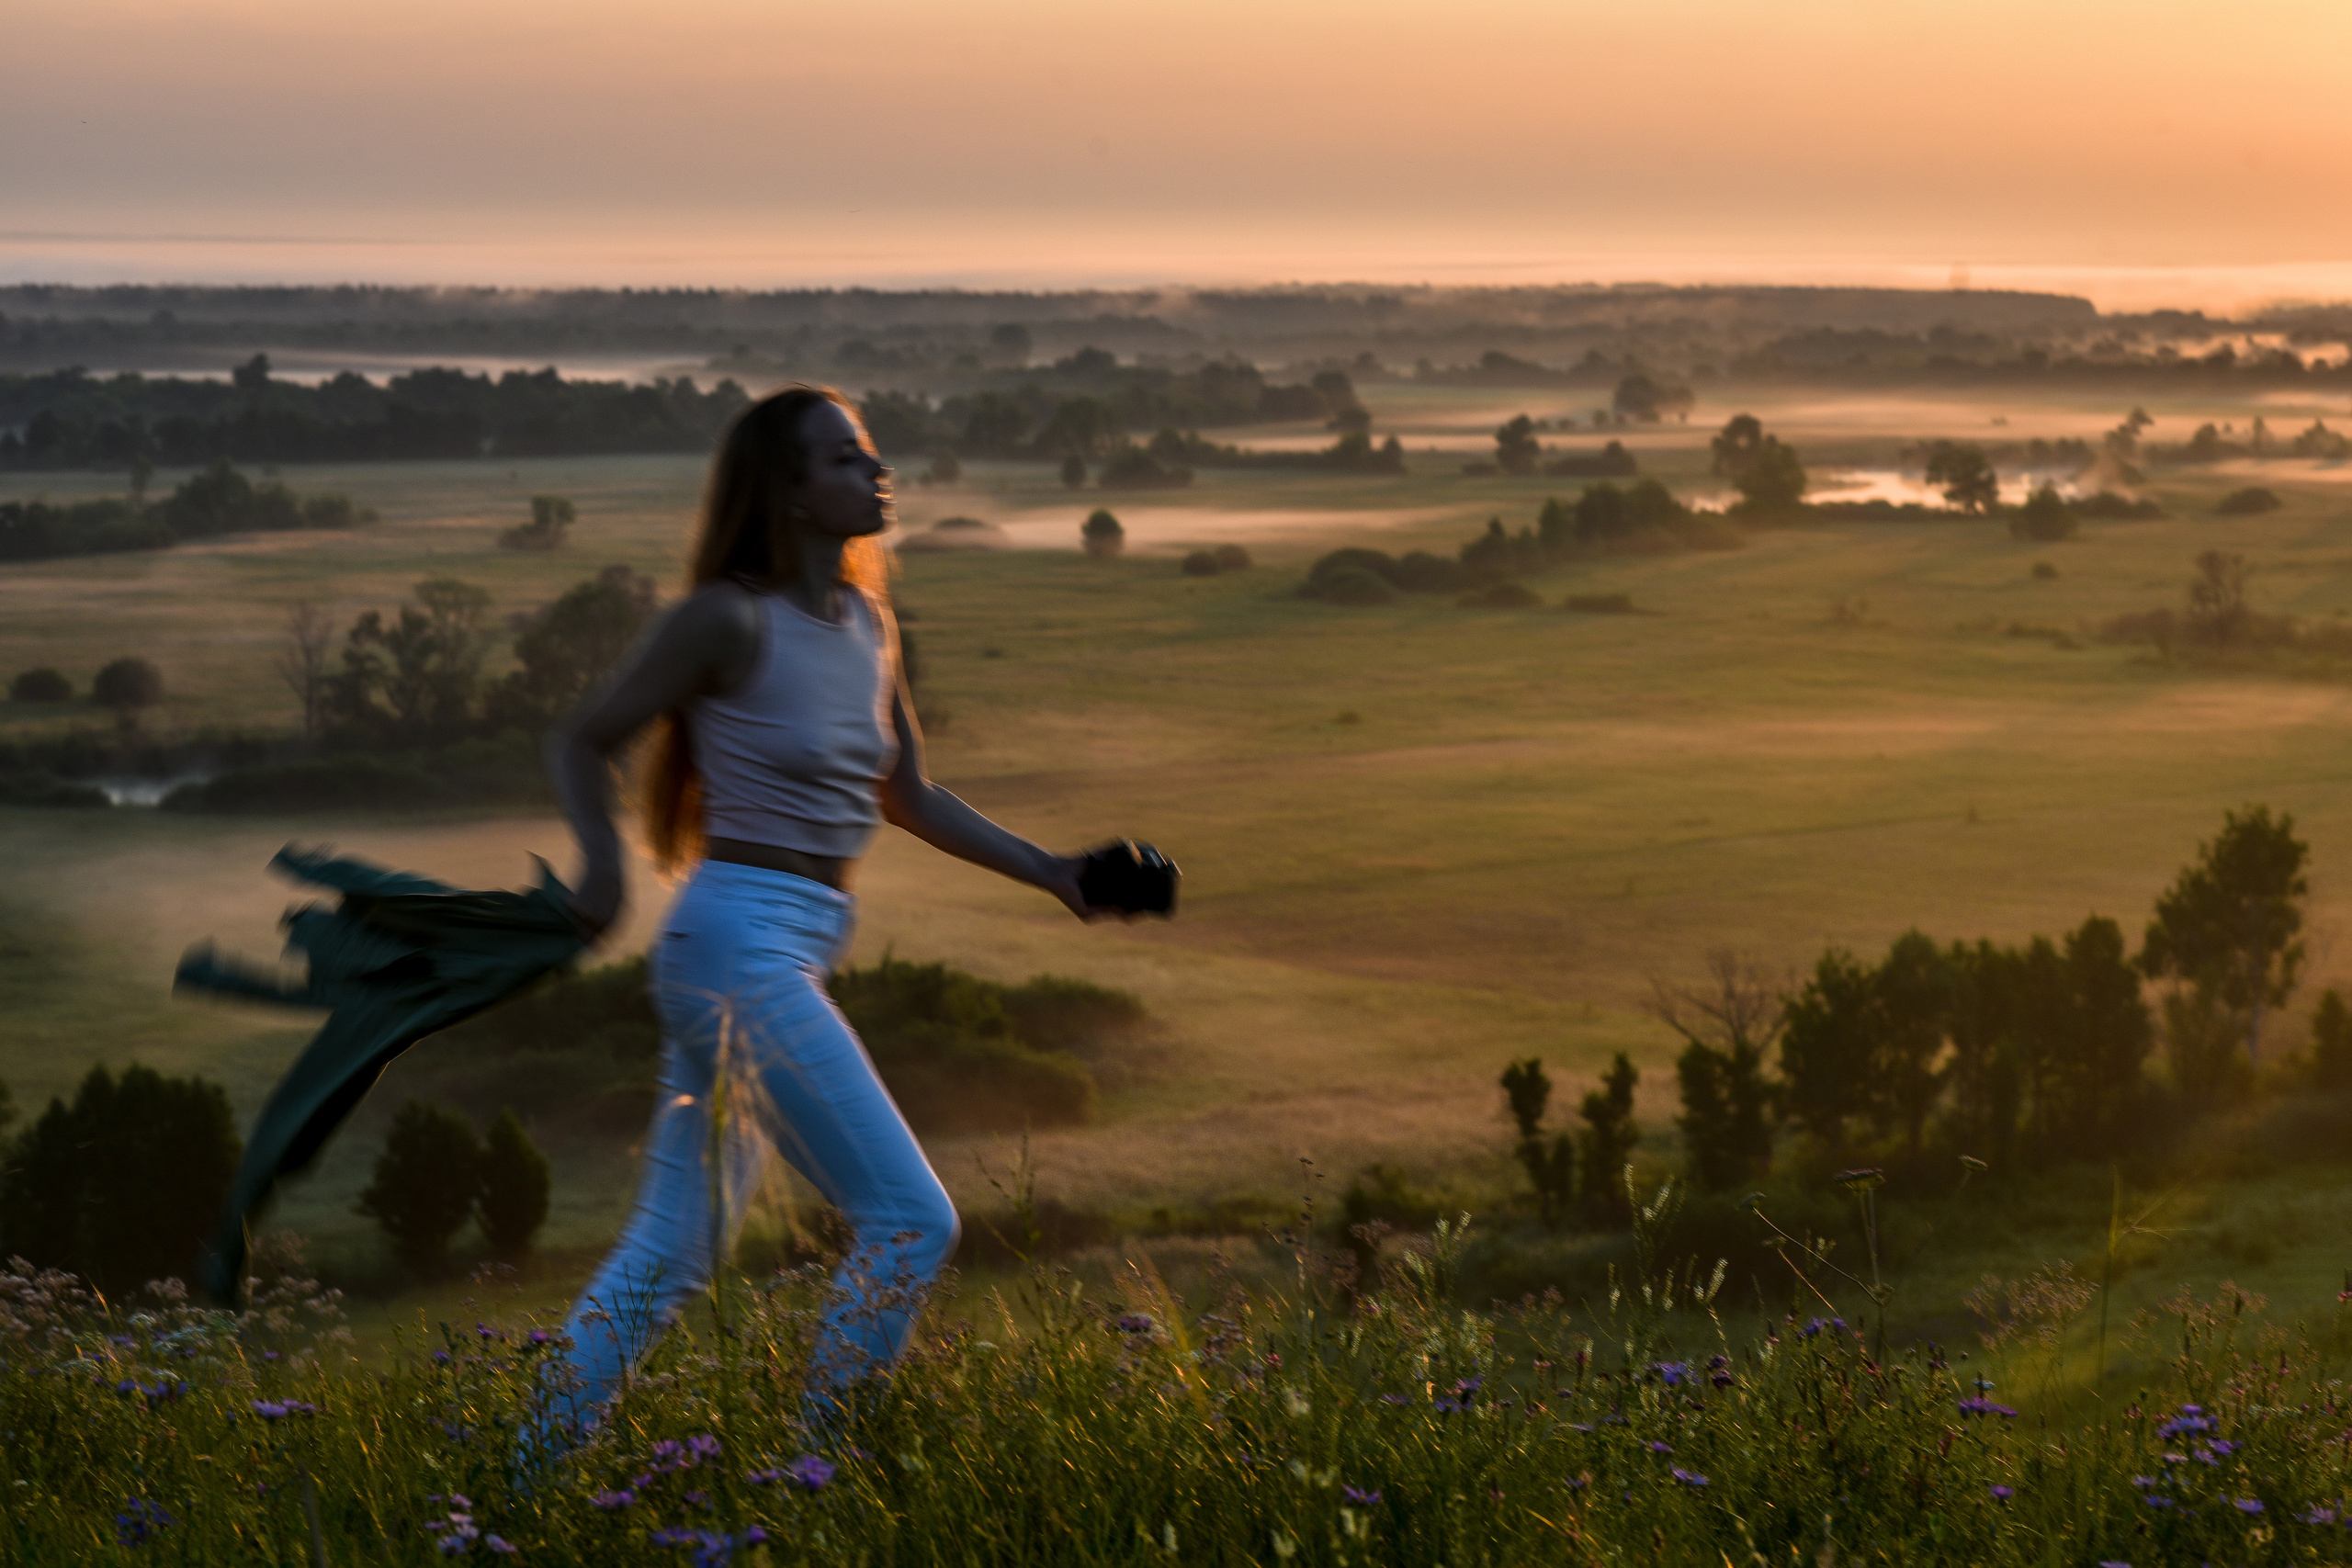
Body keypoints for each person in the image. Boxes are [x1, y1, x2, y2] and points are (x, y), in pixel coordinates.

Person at [540, 385, 1110, 1433]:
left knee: (671, 1252)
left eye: (868, 452)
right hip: (734, 944)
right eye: (845, 457)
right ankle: (819, 1476)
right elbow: (582, 739)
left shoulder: (869, 623)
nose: (875, 470)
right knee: (910, 1220)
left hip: (784, 946)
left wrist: (1056, 872)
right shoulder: (726, 618)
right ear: (789, 490)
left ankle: (517, 1474)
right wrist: (603, 869)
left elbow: (908, 794)